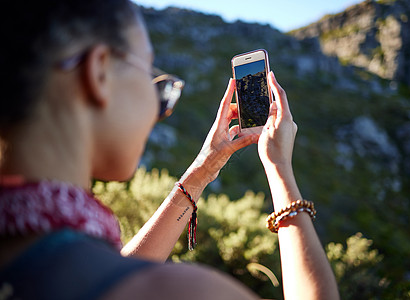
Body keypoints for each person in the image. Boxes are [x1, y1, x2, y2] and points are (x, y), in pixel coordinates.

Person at [0, 0, 339, 299]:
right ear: (99, 72)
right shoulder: (188, 292)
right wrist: (280, 169)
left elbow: (112, 271)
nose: (161, 106)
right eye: (150, 74)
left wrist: (204, 169)